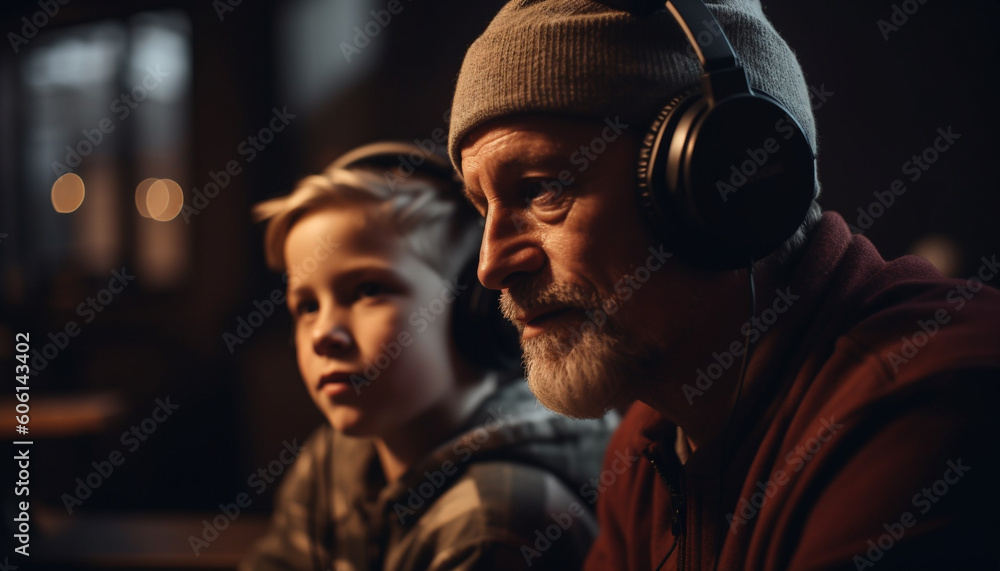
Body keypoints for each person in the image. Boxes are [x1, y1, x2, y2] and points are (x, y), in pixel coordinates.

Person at [447, 0, 1000, 569]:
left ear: (720, 181)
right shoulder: (648, 446)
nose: (492, 265)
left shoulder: (927, 400)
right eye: (481, 206)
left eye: (541, 190)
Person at [240, 142, 616, 571]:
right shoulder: (332, 464)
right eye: (307, 306)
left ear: (475, 310)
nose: (324, 333)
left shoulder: (496, 523)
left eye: (368, 290)